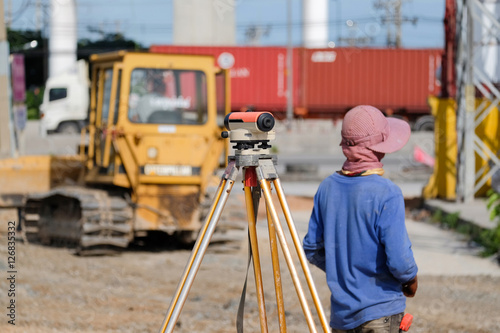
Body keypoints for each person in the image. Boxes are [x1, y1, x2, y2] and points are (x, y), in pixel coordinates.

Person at [303, 105, 418, 333]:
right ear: (379, 147)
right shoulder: (388, 192)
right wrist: (410, 280)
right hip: (381, 311)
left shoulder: (327, 188)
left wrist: (345, 271)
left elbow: (312, 248)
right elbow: (399, 261)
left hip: (342, 316)